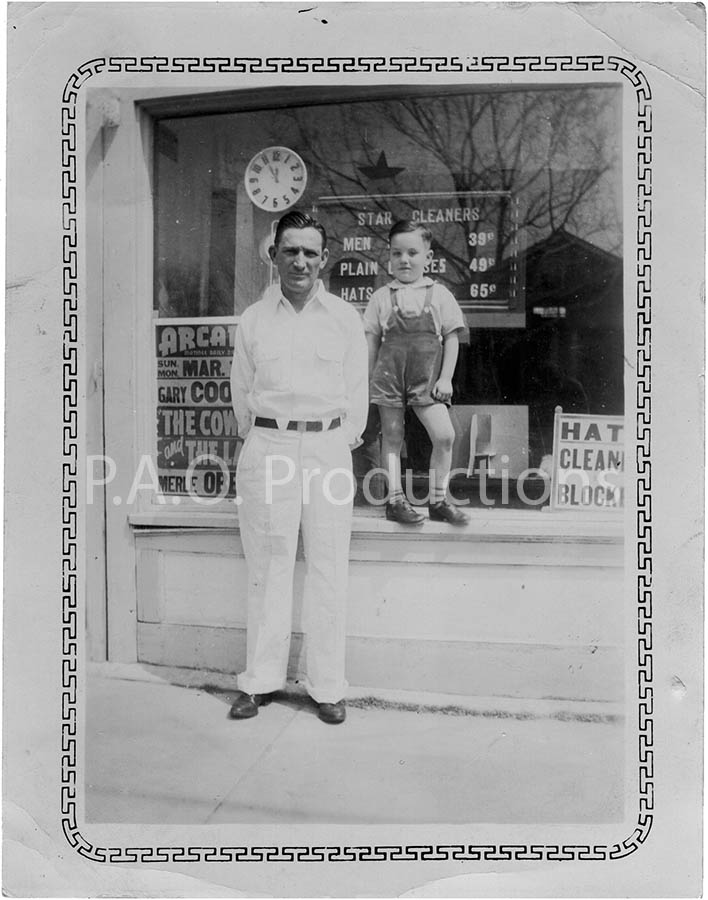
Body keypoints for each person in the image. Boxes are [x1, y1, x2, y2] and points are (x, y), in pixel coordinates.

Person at [229, 210, 368, 724]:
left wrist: (334, 442)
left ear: (324, 259)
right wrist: (267, 440)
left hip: (329, 447)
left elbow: (357, 394)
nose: (300, 261)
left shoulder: (344, 319)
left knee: (329, 566)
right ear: (274, 256)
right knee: (269, 566)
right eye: (290, 251)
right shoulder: (253, 320)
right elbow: (241, 391)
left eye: (310, 252)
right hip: (269, 445)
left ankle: (327, 686)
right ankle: (261, 681)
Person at [364, 220, 469, 526]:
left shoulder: (439, 294)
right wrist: (368, 381)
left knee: (445, 435)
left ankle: (438, 501)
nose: (404, 260)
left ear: (428, 257)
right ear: (389, 257)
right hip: (389, 376)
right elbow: (371, 342)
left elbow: (451, 337)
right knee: (393, 437)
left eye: (412, 252)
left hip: (427, 378)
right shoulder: (382, 297)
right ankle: (395, 500)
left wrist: (446, 378)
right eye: (397, 253)